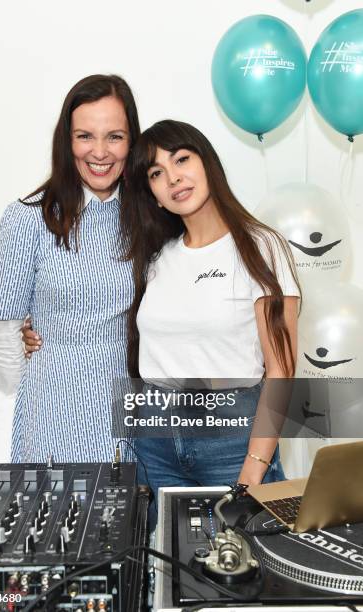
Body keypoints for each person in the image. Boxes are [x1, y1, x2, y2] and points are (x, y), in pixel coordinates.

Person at [120, 120, 301, 513]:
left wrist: (255, 466)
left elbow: (281, 372)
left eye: (182, 159)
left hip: (233, 441)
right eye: (156, 173)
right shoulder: (156, 259)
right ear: (152, 194)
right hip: (156, 442)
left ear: (208, 164)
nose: (174, 178)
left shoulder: (262, 248)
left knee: (244, 566)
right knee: (166, 565)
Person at [0, 74, 140, 463]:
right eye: (85, 136)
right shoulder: (29, 218)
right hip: (50, 418)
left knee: (134, 521)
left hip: (132, 419)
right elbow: (2, 340)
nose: (100, 152)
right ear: (66, 141)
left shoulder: (149, 217)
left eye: (115, 136)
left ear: (132, 141)